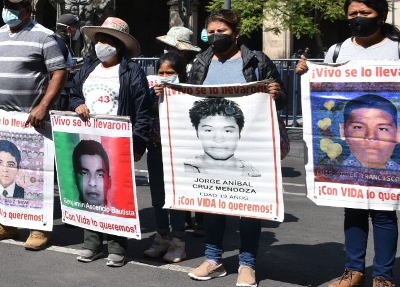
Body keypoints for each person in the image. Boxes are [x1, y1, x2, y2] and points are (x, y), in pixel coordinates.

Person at [296, 0, 400, 287]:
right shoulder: (337, 50)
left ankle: (384, 278)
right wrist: (306, 74)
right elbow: (324, 88)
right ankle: (353, 272)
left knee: (384, 213)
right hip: (353, 149)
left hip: (386, 147)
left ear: (381, 14)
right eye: (353, 14)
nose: (358, 19)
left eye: (365, 13)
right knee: (354, 210)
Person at [186, 9, 284, 287]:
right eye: (212, 31)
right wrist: (167, 94)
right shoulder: (201, 61)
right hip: (213, 146)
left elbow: (283, 99)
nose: (217, 36)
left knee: (249, 207)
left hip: (251, 144)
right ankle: (213, 259)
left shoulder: (256, 60)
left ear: (236, 33)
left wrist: (277, 93)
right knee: (213, 203)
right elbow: (189, 96)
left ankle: (247, 263)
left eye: (223, 31)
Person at [0, 0, 67, 250]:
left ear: (28, 9)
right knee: (1, 171)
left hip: (33, 120)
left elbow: (59, 72)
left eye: (14, 7)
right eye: (5, 6)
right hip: (3, 119)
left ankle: (38, 228)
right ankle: (5, 223)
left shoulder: (45, 37)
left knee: (34, 173)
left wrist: (43, 106)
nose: (8, 11)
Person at [68, 16, 152, 266]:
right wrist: (77, 104)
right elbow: (73, 93)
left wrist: (138, 143)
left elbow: (142, 110)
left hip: (118, 142)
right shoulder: (87, 69)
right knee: (89, 190)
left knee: (115, 193)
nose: (100, 45)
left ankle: (117, 246)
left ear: (119, 45)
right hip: (89, 139)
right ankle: (91, 243)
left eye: (107, 41)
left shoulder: (132, 71)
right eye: (99, 40)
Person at [144, 52, 189, 263]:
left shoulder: (189, 93)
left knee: (177, 197)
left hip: (179, 149)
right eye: (161, 72)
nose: (165, 76)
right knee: (158, 196)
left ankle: (178, 241)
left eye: (170, 73)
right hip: (156, 147)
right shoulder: (153, 91)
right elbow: (147, 111)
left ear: (180, 74)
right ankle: (161, 236)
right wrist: (156, 97)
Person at [183, 98, 260, 177]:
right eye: (209, 130)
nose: (218, 139)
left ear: (239, 134)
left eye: (227, 131)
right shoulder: (180, 167)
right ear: (197, 133)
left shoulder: (254, 173)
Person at [339, 94, 400, 171]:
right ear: (343, 131)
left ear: (397, 134)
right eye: (358, 127)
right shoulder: (335, 172)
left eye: (382, 129)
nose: (371, 137)